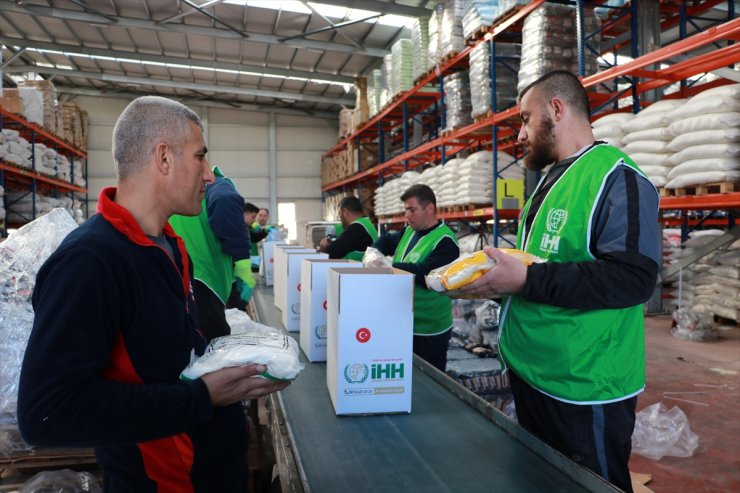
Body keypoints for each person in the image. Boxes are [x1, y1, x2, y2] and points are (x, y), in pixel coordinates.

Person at [17, 96, 289, 492]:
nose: (208, 177)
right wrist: (201, 398)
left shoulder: (170, 246)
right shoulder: (90, 261)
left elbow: (165, 357)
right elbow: (47, 413)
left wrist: (237, 366)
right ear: (164, 158)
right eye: (200, 158)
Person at [461, 70, 660, 493]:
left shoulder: (617, 178)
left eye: (524, 119)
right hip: (535, 372)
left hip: (583, 385)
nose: (519, 134)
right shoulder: (549, 181)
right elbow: (543, 264)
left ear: (556, 109)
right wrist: (499, 278)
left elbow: (633, 280)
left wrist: (526, 279)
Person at [373, 184, 460, 371]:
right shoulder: (409, 232)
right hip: (403, 322)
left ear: (429, 208)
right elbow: (386, 241)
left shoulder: (446, 241)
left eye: (412, 210)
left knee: (429, 382)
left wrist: (390, 267)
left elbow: (427, 274)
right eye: (406, 210)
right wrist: (374, 253)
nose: (407, 216)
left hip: (429, 329)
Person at [169, 167, 256, 342]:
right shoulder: (217, 183)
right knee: (216, 343)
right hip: (205, 278)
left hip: (179, 273)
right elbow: (225, 200)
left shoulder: (176, 188)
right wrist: (242, 264)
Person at [318, 196, 378, 260]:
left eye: (340, 213)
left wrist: (324, 247)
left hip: (361, 269)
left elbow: (331, 252)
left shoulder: (357, 228)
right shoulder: (366, 223)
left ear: (345, 212)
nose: (340, 218)